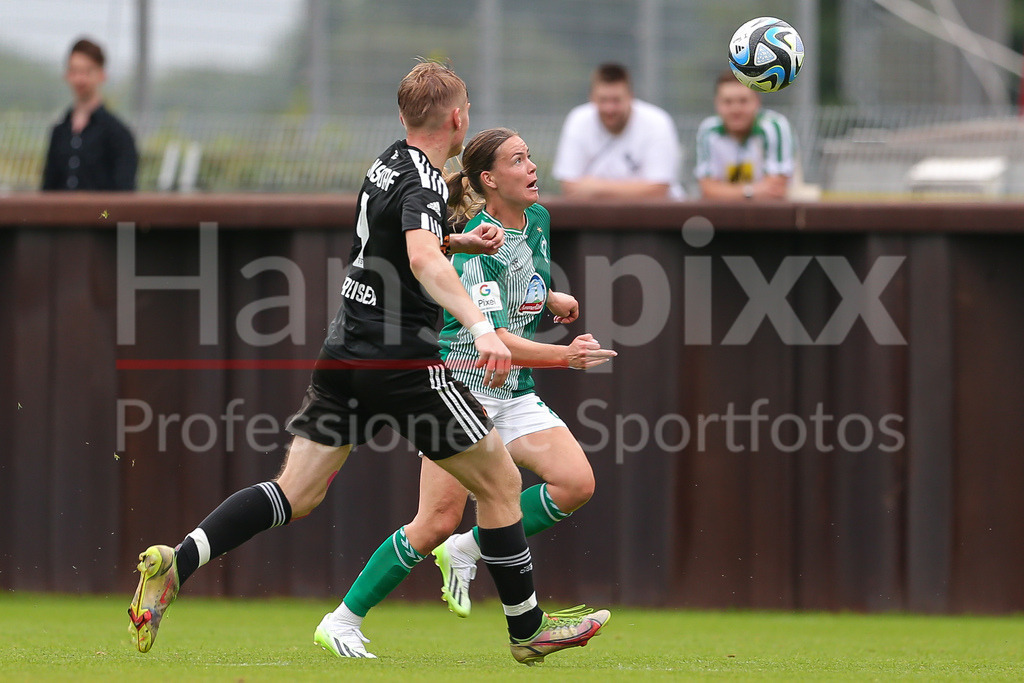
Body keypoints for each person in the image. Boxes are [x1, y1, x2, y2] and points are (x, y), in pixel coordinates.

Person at [127, 61, 609, 666]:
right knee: (503, 483)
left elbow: (396, 241)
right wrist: (483, 327)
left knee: (295, 492)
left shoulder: (387, 163)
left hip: (345, 352)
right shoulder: (428, 185)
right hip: (404, 365)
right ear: (457, 118)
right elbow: (422, 260)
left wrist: (456, 241)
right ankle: (527, 630)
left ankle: (180, 559)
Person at [312, 128, 616, 660]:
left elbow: (522, 281)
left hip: (513, 389)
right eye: (518, 160)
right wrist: (566, 355)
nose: (532, 166)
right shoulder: (477, 241)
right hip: (461, 386)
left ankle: (470, 549)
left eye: (530, 155)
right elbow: (493, 339)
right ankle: (342, 620)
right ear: (488, 180)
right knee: (434, 521)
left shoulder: (538, 220)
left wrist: (551, 297)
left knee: (576, 483)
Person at [552, 63, 684, 199]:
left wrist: (593, 187)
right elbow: (569, 188)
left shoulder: (657, 122)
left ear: (630, 97)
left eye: (616, 100)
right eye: (603, 100)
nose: (609, 109)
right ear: (591, 98)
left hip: (653, 217)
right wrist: (636, 189)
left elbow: (658, 190)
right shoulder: (578, 120)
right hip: (596, 217)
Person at [42, 37, 138, 191]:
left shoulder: (119, 134)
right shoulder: (59, 132)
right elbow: (47, 189)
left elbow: (123, 199)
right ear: (67, 75)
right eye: (74, 71)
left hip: (102, 215)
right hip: (61, 215)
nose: (80, 79)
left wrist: (101, 216)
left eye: (87, 71)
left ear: (101, 75)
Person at [695, 71, 795, 200]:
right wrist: (751, 192)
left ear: (757, 102)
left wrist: (724, 191)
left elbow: (776, 189)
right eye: (727, 102)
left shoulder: (773, 127)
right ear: (717, 104)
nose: (735, 109)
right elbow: (707, 190)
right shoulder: (709, 131)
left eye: (743, 101)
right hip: (725, 214)